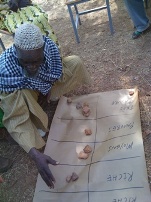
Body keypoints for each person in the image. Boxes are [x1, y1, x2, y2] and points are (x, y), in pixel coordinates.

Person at [0, 23, 90, 188]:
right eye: (25, 62)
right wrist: (35, 154)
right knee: (22, 97)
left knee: (75, 63)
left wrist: (46, 88)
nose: (32, 66)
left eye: (36, 60)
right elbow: (15, 118)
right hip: (25, 92)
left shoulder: (49, 47)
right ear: (16, 52)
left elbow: (56, 70)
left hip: (43, 86)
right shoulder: (6, 70)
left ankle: (47, 96)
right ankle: (34, 115)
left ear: (42, 50)